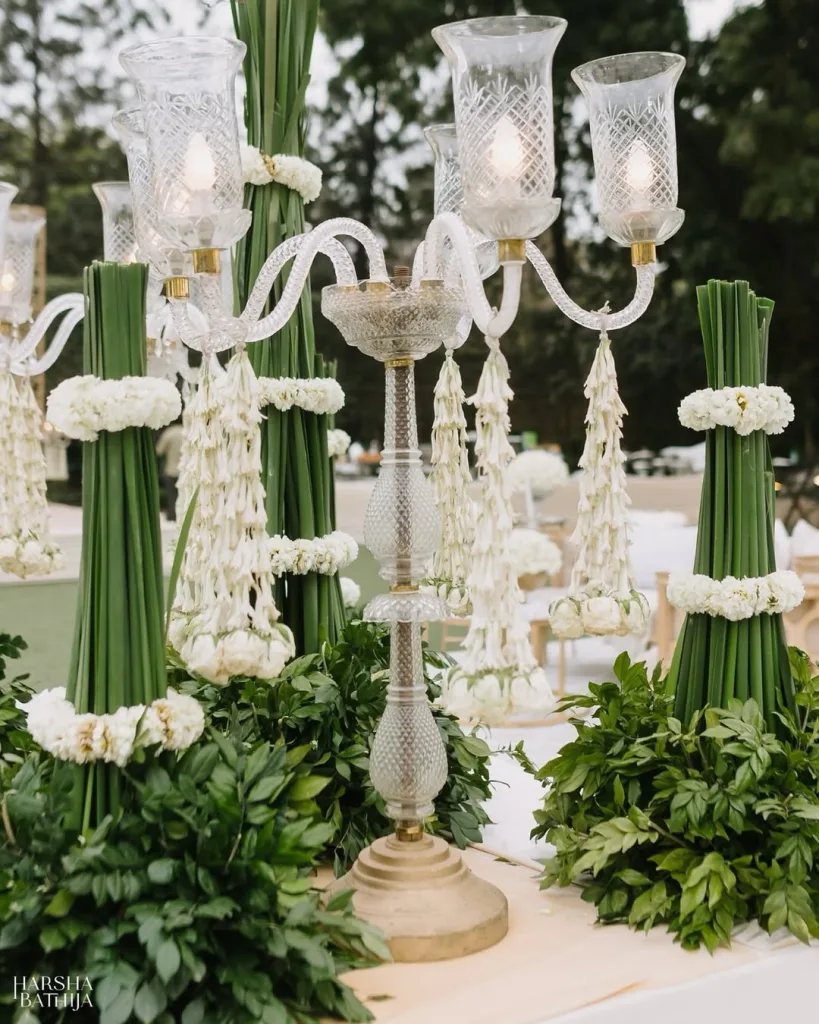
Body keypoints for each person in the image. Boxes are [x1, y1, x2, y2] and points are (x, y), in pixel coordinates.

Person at [156, 420, 185, 521]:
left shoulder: (169, 433)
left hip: (171, 471)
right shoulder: (187, 431)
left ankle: (173, 517)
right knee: (185, 495)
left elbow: (159, 451)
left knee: (172, 496)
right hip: (185, 471)